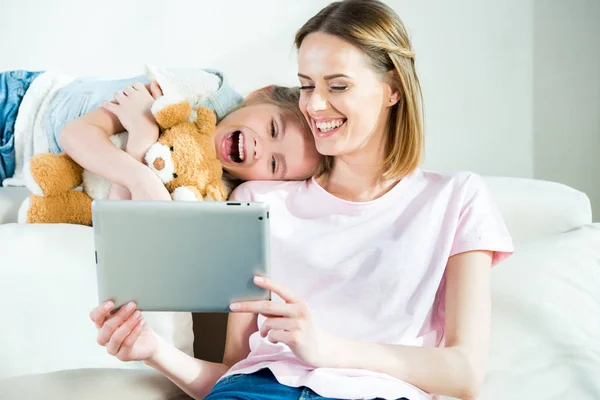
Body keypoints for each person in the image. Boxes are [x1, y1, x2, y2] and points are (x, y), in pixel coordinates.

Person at [90, 1, 514, 399]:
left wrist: (324, 348)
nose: (314, 104)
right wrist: (153, 349)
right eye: (307, 85)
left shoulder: (455, 198)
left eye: (338, 85)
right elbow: (232, 371)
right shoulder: (257, 200)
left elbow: (464, 373)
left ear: (393, 89)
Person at [0, 69, 322, 195]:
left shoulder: (212, 187)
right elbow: (77, 133)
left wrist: (141, 137)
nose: (259, 149)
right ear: (260, 93)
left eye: (275, 164)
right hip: (21, 108)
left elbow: (116, 213)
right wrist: (141, 178)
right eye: (272, 128)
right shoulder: (201, 93)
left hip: (17, 169)